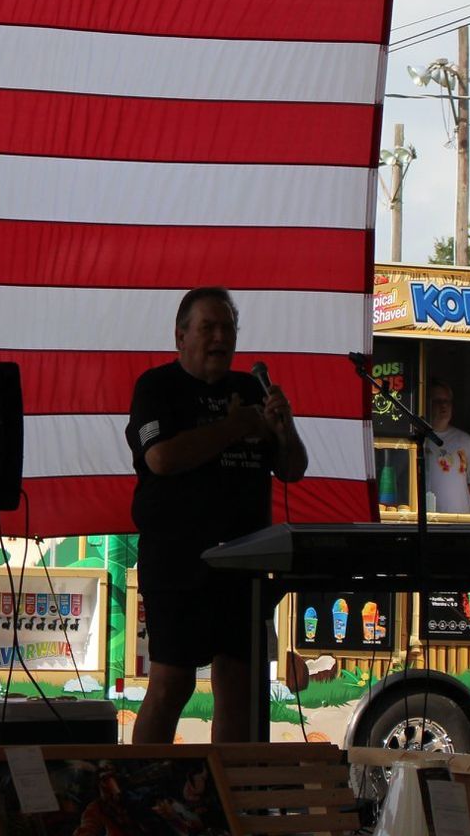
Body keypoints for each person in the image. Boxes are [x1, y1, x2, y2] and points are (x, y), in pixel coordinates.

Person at [126, 287, 308, 743]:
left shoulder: (250, 390)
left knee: (239, 685)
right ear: (180, 336)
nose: (220, 337)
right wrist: (234, 427)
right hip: (178, 560)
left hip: (244, 564)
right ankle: (141, 784)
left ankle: (223, 788)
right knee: (172, 683)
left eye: (228, 328)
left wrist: (284, 429)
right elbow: (161, 458)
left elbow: (293, 468)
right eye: (208, 327)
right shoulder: (157, 388)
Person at [422, 379, 470, 514]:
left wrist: (456, 499)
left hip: (458, 519)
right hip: (424, 518)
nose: (443, 405)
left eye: (447, 401)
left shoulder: (466, 441)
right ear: (426, 404)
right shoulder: (417, 439)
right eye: (437, 401)